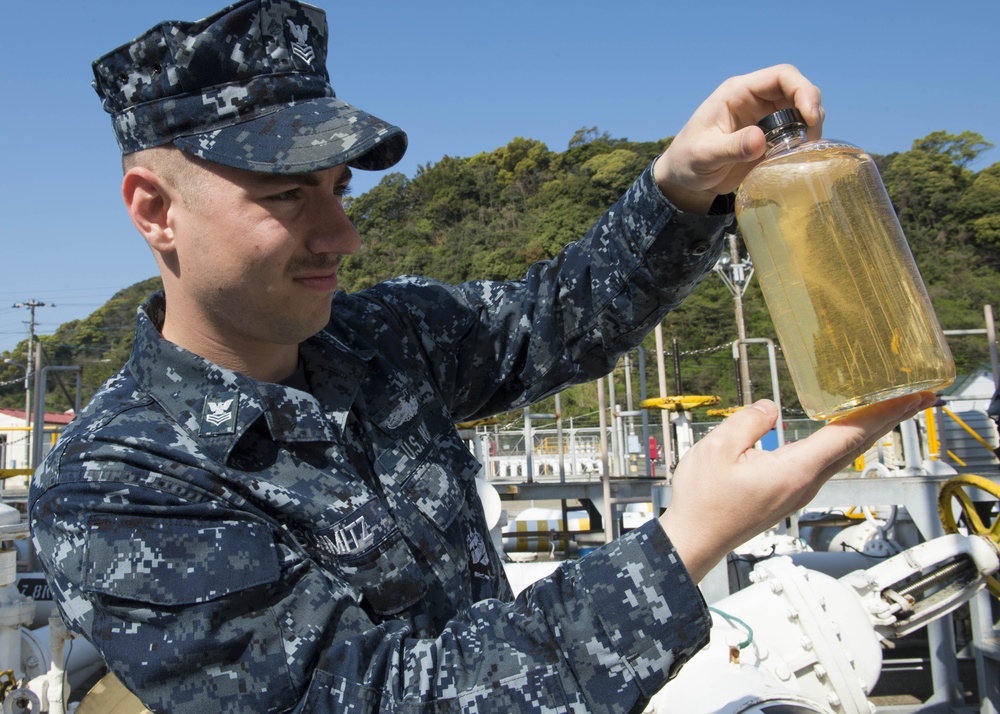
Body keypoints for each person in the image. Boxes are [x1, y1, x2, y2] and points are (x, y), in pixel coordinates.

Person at [28, 1, 935, 712]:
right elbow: (367, 700)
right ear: (153, 209)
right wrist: (684, 544)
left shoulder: (378, 337)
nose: (341, 235)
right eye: (287, 197)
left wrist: (680, 185)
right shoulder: (117, 482)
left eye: (340, 189)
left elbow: (558, 315)